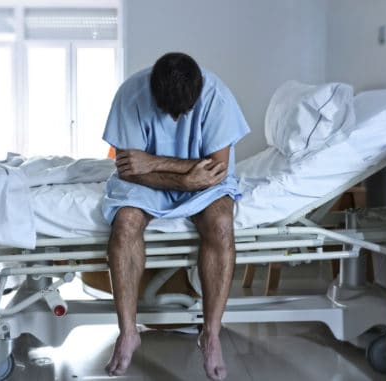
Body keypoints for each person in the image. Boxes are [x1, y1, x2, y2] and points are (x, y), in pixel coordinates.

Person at [101, 52, 250, 380]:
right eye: (167, 112)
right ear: (153, 94)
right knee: (125, 223)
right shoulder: (130, 95)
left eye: (183, 113)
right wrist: (184, 176)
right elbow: (129, 170)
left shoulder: (217, 97)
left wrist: (155, 162)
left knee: (221, 224)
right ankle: (128, 332)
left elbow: (216, 168)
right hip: (146, 183)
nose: (175, 120)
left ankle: (210, 334)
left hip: (204, 181)